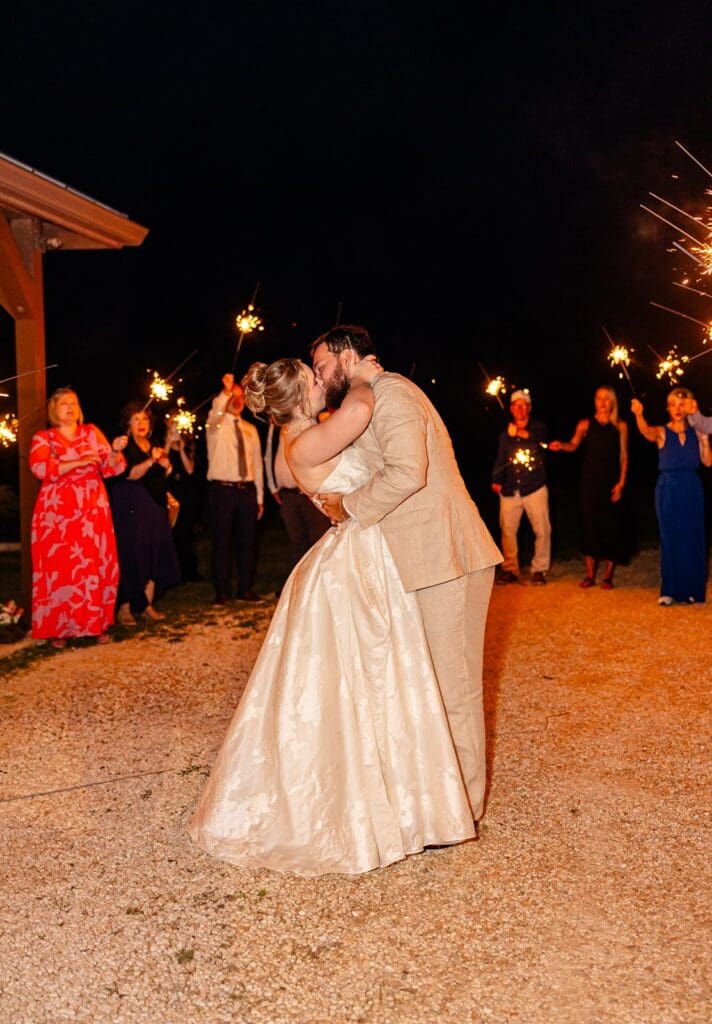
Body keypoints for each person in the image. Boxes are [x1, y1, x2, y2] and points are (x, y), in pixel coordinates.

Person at [190, 355, 480, 877]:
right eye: (314, 376)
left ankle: (396, 793)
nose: (324, 381)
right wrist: (362, 370)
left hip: (353, 552)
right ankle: (384, 801)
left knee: (370, 682)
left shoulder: (293, 444)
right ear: (301, 397)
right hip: (358, 559)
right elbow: (365, 404)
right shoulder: (313, 438)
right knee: (377, 675)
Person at [312, 325, 502, 827]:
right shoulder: (368, 398)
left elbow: (407, 472)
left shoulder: (392, 393)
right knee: (430, 688)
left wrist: (347, 507)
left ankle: (467, 810)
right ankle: (443, 805)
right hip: (420, 559)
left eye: (321, 365)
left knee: (454, 689)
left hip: (448, 557)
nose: (319, 375)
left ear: (347, 355)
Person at [29, 387, 127, 648]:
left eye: (74, 402)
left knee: (94, 564)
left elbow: (111, 466)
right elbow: (40, 467)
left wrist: (115, 450)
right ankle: (59, 629)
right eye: (64, 403)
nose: (70, 407)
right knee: (59, 567)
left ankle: (98, 624)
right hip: (56, 513)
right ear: (54, 409)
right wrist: (79, 462)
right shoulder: (44, 438)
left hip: (91, 507)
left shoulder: (91, 432)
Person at [631, 388, 711, 605]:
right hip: (668, 487)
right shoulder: (662, 431)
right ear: (667, 407)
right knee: (670, 537)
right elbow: (646, 432)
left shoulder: (697, 431)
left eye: (681, 404)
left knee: (693, 538)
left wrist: (704, 440)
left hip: (692, 487)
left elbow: (707, 462)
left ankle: (693, 590)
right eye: (673, 403)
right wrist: (639, 414)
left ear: (687, 407)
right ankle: (670, 590)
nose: (677, 408)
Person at [107, 402, 181, 625]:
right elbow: (130, 474)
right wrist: (153, 460)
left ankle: (147, 604)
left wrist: (165, 460)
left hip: (154, 505)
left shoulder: (153, 444)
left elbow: (160, 474)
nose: (141, 423)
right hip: (130, 504)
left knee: (154, 550)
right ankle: (125, 608)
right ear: (128, 423)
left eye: (145, 419)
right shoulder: (125, 445)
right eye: (136, 419)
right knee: (132, 553)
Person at [550, 386, 629, 588]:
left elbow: (623, 456)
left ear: (612, 402)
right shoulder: (585, 424)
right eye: (599, 398)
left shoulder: (620, 426)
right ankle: (590, 575)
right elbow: (573, 445)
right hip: (589, 482)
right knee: (589, 525)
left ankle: (608, 576)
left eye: (606, 399)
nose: (602, 403)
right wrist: (562, 445)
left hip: (611, 482)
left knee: (611, 526)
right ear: (594, 401)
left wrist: (621, 483)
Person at [205, 373, 264, 604]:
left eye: (240, 397)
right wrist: (226, 392)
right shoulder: (216, 426)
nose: (237, 401)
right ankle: (221, 591)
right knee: (222, 542)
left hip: (247, 490)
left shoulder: (251, 429)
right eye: (233, 397)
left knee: (247, 541)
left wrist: (259, 498)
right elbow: (216, 413)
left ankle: (245, 588)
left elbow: (257, 464)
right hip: (223, 490)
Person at [490, 389, 551, 584]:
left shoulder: (539, 428)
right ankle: (510, 569)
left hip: (534, 487)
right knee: (507, 531)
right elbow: (501, 457)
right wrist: (496, 479)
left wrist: (520, 432)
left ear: (529, 408)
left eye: (523, 404)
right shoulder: (505, 434)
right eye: (516, 405)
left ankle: (539, 569)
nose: (519, 408)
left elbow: (542, 443)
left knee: (542, 530)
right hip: (509, 489)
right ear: (511, 408)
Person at [264, 420, 329, 573]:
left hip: (310, 494)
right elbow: (268, 456)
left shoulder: (309, 421)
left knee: (318, 539)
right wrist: (273, 487)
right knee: (296, 542)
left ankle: (321, 585)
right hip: (287, 495)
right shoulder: (276, 427)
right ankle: (298, 587)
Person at [165, 414, 201, 581]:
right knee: (172, 534)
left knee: (187, 533)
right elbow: (161, 466)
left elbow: (190, 469)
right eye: (172, 424)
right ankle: (174, 573)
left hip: (186, 493)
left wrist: (180, 449)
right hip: (170, 494)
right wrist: (168, 443)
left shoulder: (187, 444)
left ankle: (190, 572)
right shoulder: (160, 444)